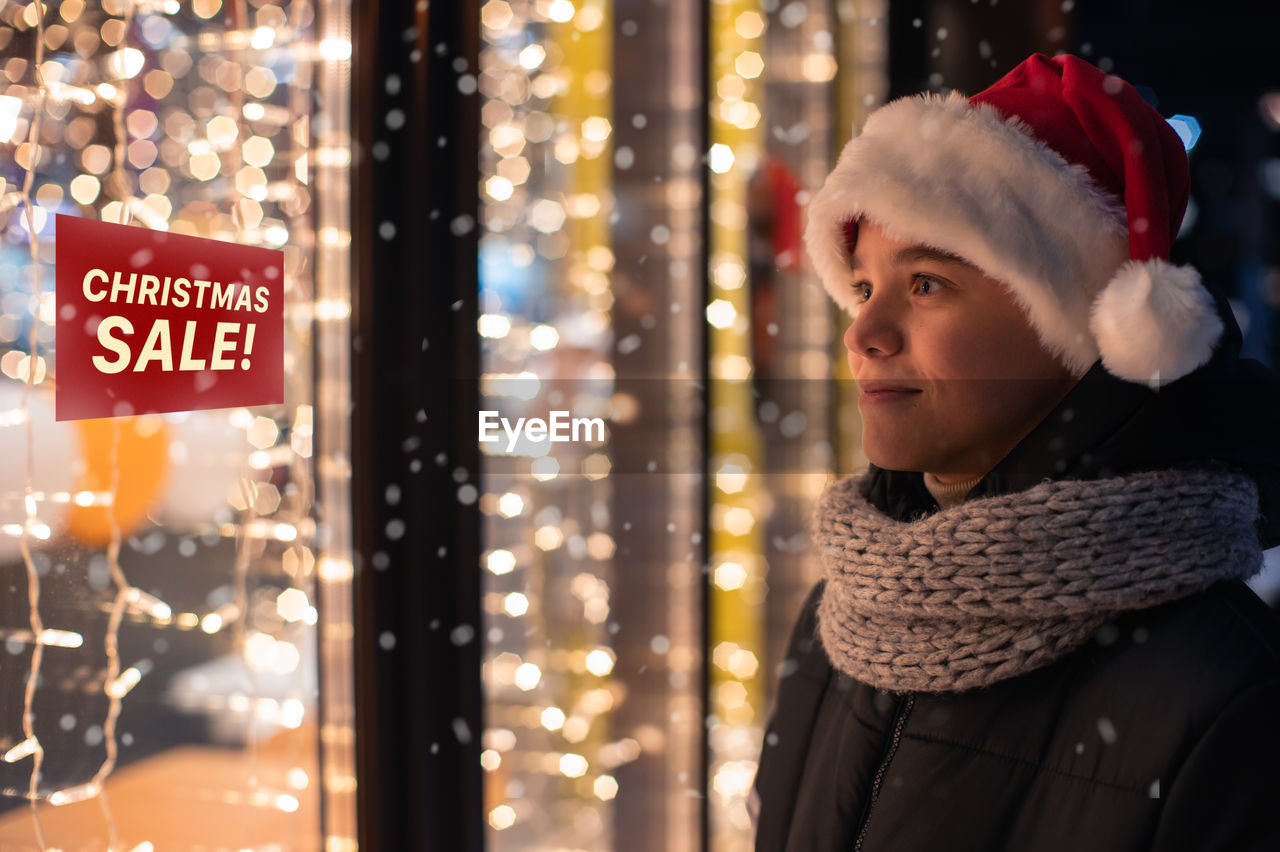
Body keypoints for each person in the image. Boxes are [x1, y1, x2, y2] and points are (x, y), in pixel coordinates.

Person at [751, 53, 1280, 851]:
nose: (863, 333)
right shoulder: (839, 618)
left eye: (925, 283)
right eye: (861, 287)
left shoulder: (1226, 696)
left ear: (1076, 327)